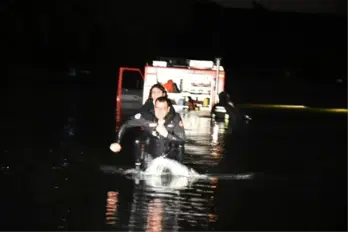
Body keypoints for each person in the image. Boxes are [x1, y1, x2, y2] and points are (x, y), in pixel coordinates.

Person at [110, 96, 185, 170]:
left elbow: (181, 140)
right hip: (151, 155)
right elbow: (126, 125)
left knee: (180, 147)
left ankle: (179, 168)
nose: (160, 111)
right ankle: (139, 166)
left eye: (163, 109)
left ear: (168, 109)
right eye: (157, 108)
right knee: (139, 141)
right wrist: (117, 142)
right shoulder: (146, 117)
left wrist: (166, 134)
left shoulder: (175, 118)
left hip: (170, 157)